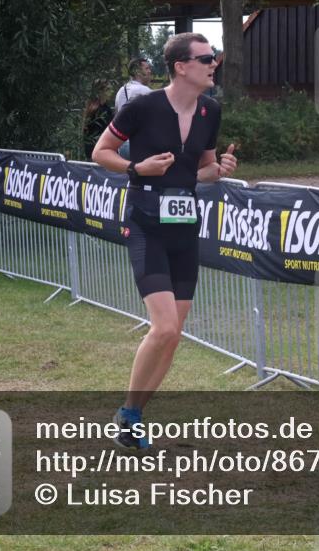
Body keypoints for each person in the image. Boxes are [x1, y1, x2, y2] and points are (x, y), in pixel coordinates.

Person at [92, 33, 237, 450]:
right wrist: (137, 168)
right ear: (181, 66)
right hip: (145, 223)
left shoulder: (211, 110)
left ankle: (130, 416)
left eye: (214, 58)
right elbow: (102, 152)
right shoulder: (142, 106)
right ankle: (129, 416)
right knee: (164, 327)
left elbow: (202, 171)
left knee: (174, 334)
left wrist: (221, 168)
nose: (214, 64)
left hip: (184, 227)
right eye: (206, 58)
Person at [114, 57, 154, 159]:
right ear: (137, 72)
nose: (150, 71)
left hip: (122, 144)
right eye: (147, 68)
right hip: (140, 143)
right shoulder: (145, 91)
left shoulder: (121, 90)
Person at [81, 79, 112, 160]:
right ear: (100, 91)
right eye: (107, 89)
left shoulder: (102, 107)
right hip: (98, 150)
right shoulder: (99, 110)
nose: (110, 92)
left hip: (95, 149)